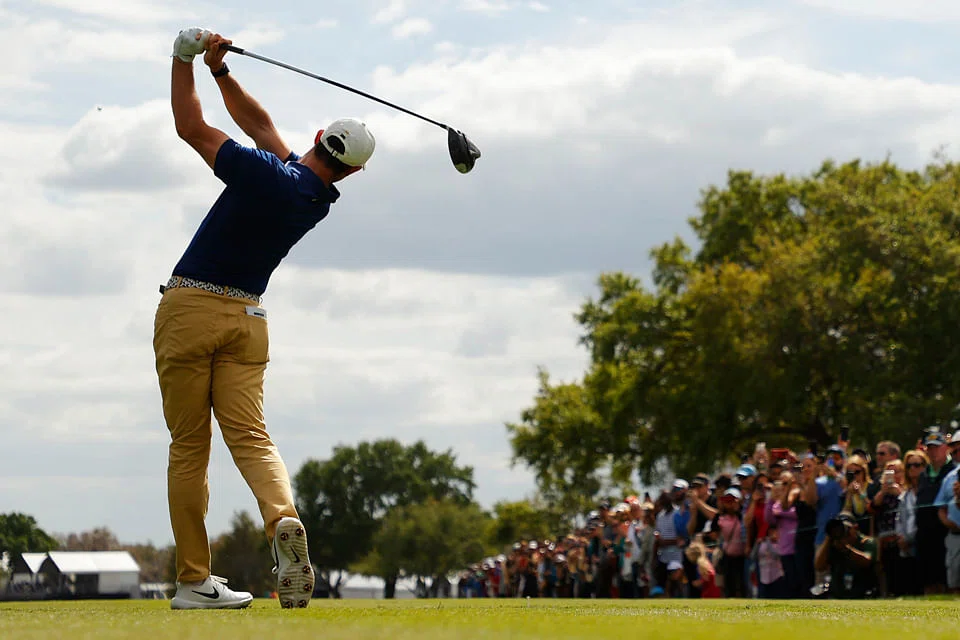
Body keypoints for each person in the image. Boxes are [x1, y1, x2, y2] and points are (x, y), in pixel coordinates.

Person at [158, 28, 376, 610]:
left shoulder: (263, 171)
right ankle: (282, 519)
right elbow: (260, 125)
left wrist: (182, 59)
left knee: (189, 447)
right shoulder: (314, 197)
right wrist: (221, 72)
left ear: (317, 138)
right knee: (252, 437)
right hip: (249, 319)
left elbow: (189, 127)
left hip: (191, 308)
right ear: (352, 172)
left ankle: (194, 580)